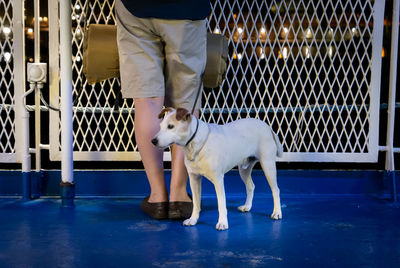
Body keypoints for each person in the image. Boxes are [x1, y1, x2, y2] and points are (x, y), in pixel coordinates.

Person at [115, 0, 211, 219]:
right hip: (187, 9)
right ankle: (179, 196)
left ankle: (157, 196)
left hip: (135, 8)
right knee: (184, 103)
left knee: (147, 100)